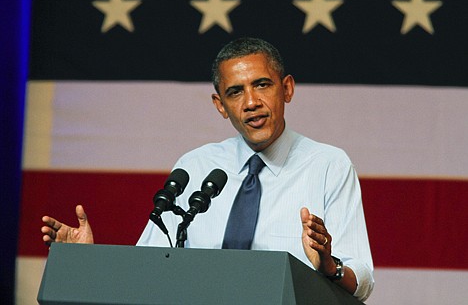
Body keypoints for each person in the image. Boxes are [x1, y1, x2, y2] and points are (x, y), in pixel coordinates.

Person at [41, 37, 374, 301]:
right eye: (235, 92)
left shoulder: (329, 165)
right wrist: (83, 263)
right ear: (220, 105)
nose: (251, 102)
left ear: (286, 88)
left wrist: (329, 266)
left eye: (261, 85)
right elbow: (148, 268)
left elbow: (362, 278)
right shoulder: (195, 167)